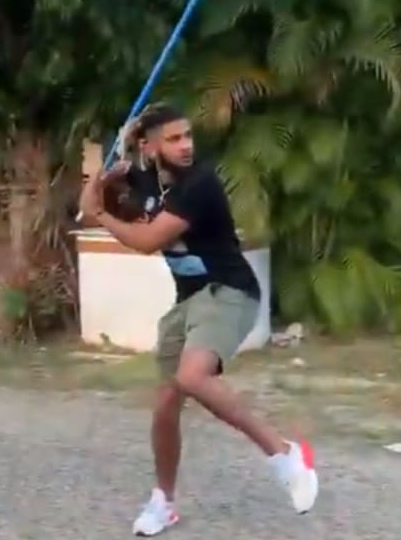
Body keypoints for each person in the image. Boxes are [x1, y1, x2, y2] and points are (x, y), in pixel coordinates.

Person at [78, 103, 318, 536]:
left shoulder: (200, 183)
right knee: (165, 409)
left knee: (192, 376)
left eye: (187, 136)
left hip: (230, 292)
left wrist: (99, 214)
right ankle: (163, 502)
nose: (186, 145)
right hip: (187, 302)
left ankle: (285, 456)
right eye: (173, 139)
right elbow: (107, 206)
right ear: (149, 146)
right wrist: (104, 183)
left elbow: (147, 240)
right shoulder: (145, 177)